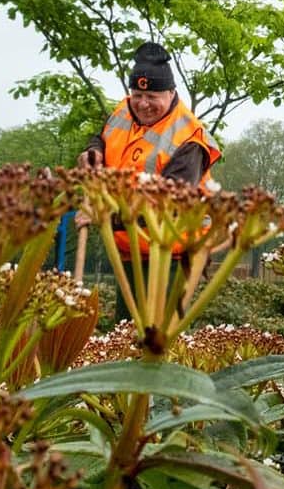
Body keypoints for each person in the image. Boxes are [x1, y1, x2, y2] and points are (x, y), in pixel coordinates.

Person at [78, 41, 221, 318]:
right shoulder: (123, 110)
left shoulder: (189, 139)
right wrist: (93, 151)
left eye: (152, 96)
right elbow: (103, 137)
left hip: (172, 257)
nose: (143, 104)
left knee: (154, 343)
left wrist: (104, 215)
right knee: (124, 336)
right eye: (137, 94)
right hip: (129, 251)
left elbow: (166, 207)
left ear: (171, 93)